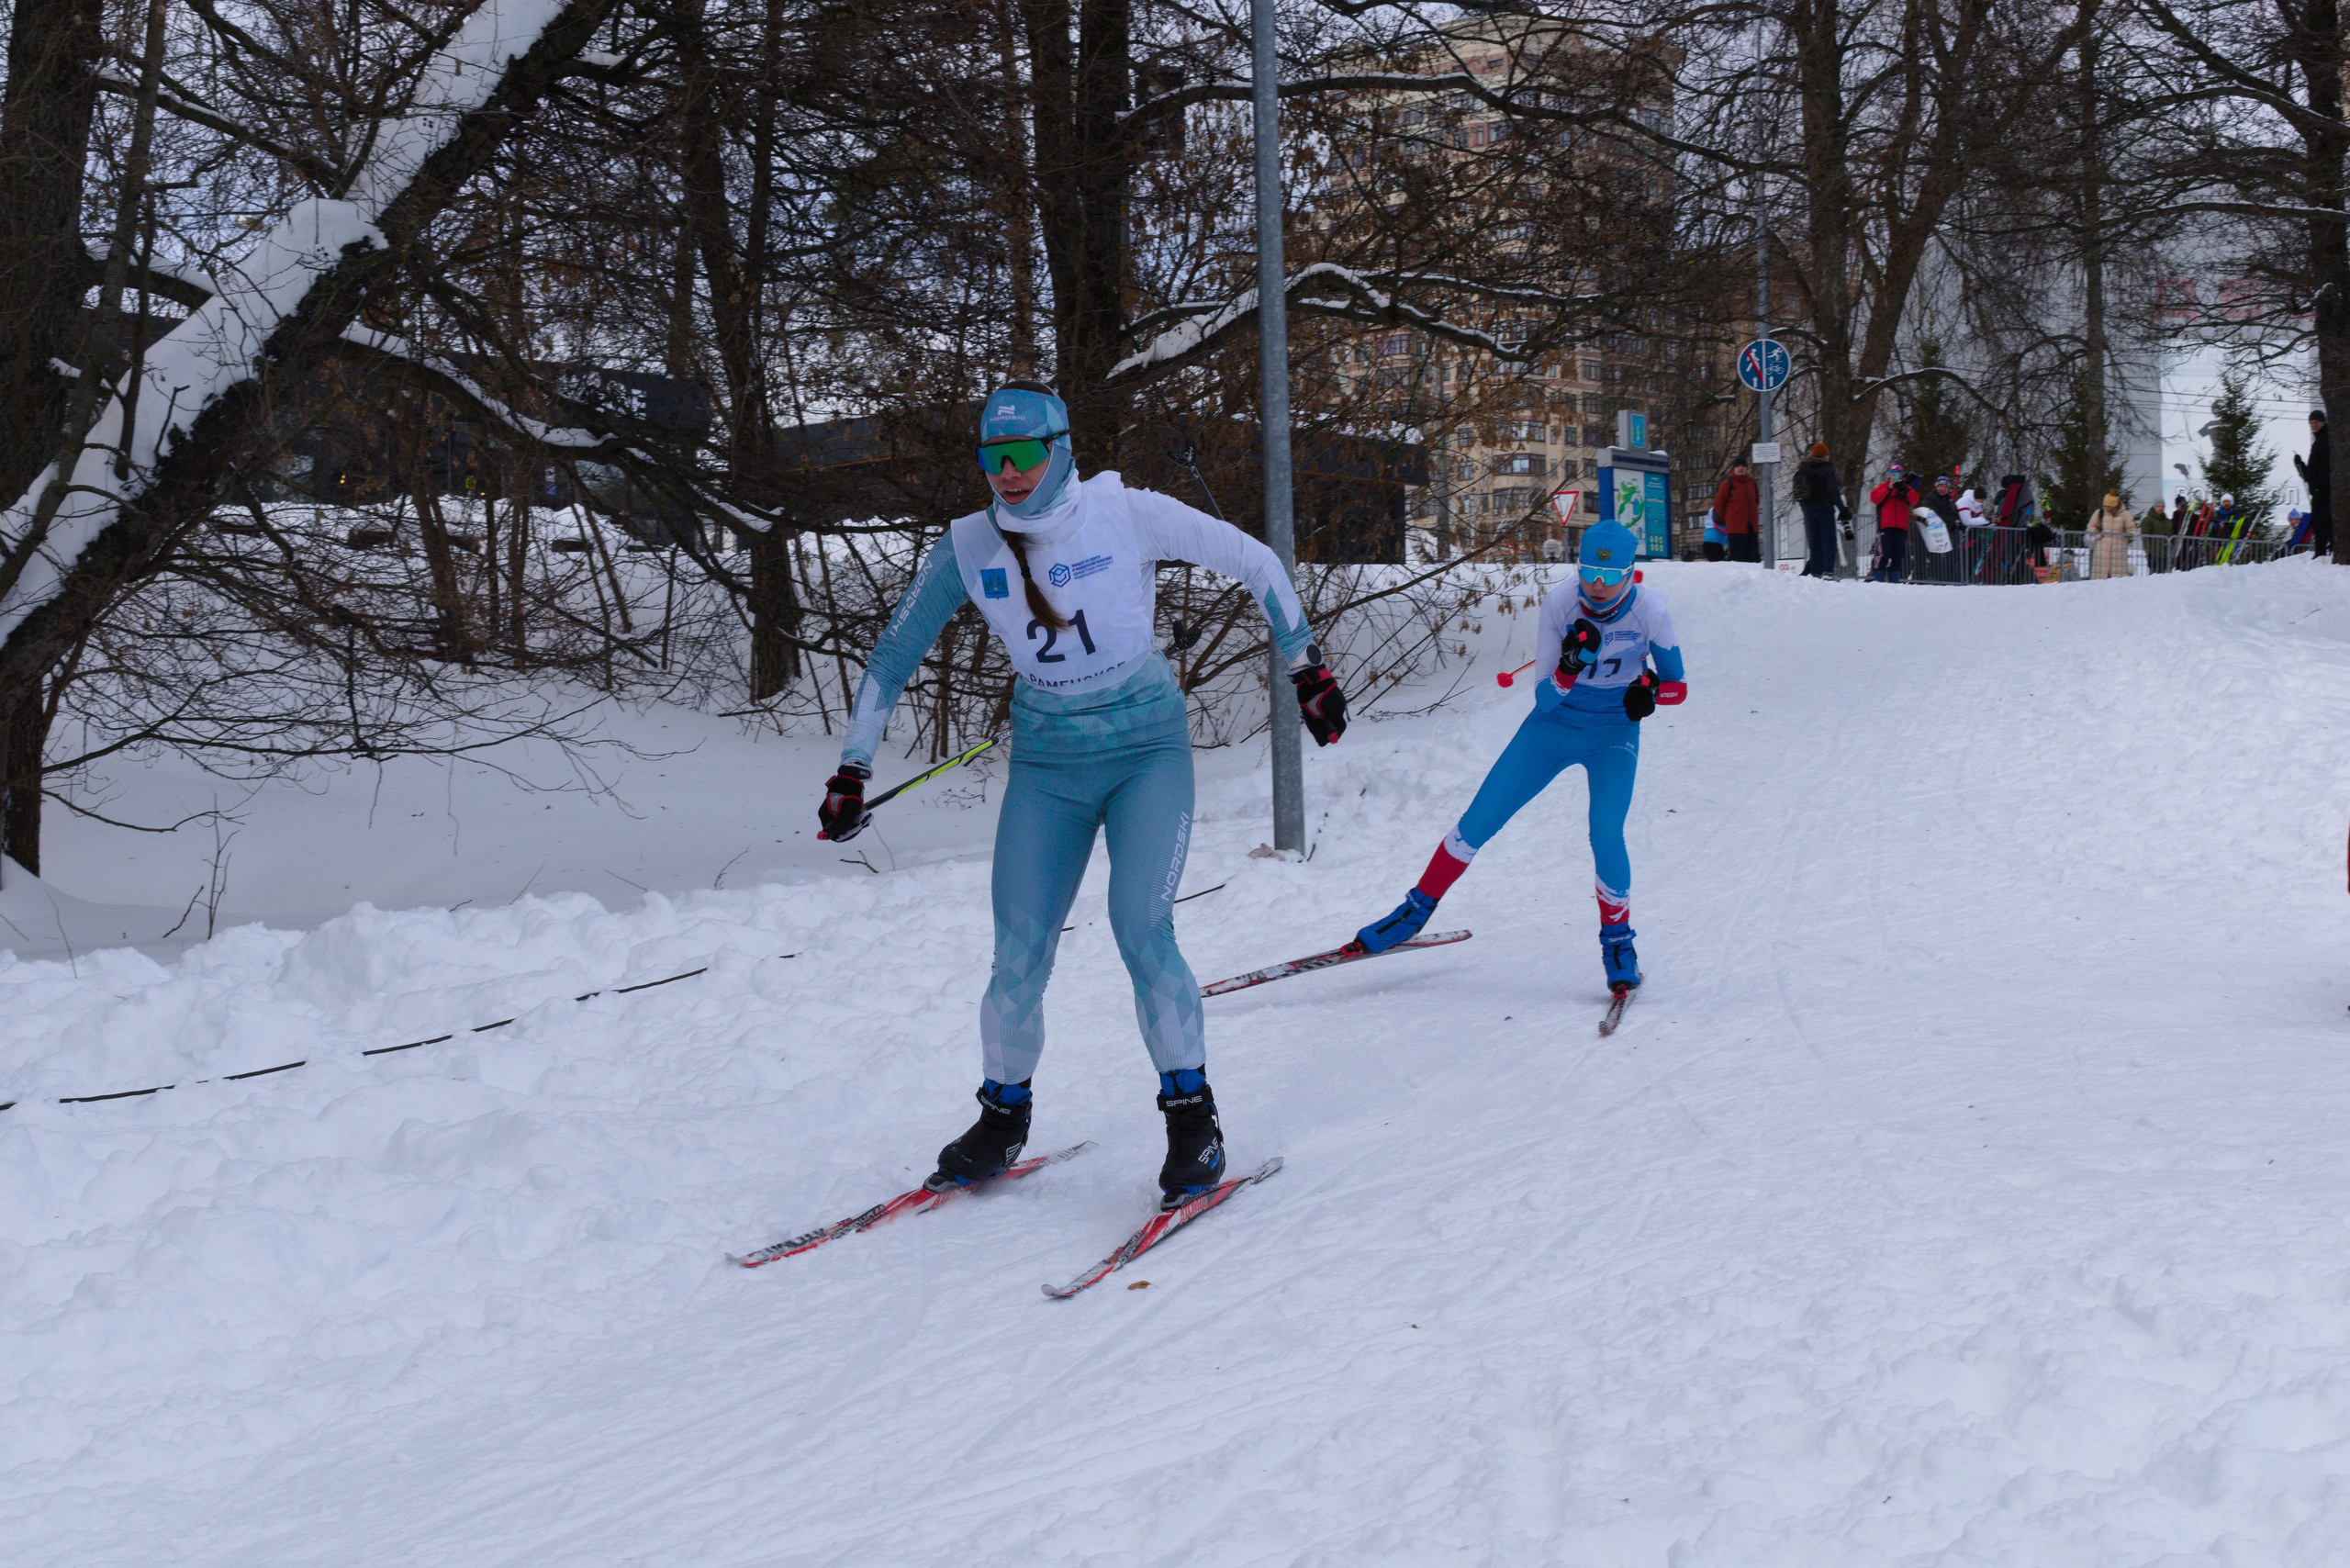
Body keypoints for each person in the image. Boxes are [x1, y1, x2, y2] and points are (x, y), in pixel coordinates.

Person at [817, 380, 1348, 1210]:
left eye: (1024, 454)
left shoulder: (1126, 513)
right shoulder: (966, 547)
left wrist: (1305, 668)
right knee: (1017, 951)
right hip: (1047, 765)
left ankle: (1191, 1121)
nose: (1009, 473)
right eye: (993, 457)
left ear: (1060, 448)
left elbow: (1258, 561)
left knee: (1141, 925)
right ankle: (1002, 1118)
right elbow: (890, 658)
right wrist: (851, 770)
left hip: (1146, 752)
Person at [1350, 521, 1685, 1001]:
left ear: (1631, 575)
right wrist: (1570, 667)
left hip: (1613, 733)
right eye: (1589, 571)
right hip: (1552, 728)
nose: (1597, 585)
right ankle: (1413, 912)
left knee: (1606, 833)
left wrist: (1649, 692)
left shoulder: (1651, 610)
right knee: (1480, 819)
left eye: (1611, 577)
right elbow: (1546, 700)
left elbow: (1678, 685)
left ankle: (1618, 944)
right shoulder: (1561, 603)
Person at [1791, 442, 1846, 578]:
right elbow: (1833, 491)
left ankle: (1815, 572)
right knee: (1829, 541)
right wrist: (1842, 508)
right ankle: (1828, 571)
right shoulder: (1827, 469)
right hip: (1825, 510)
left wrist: (1806, 510)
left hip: (1809, 512)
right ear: (1824, 455)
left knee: (1815, 543)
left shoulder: (1802, 469)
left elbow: (1798, 494)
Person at [1869, 462, 1919, 581]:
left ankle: (1894, 581)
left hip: (1901, 527)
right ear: (1890, 475)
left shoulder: (1906, 488)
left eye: (1898, 474)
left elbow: (1914, 500)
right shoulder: (1883, 486)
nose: (1896, 476)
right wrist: (1890, 487)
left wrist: (1905, 489)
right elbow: (1875, 498)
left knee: (1897, 556)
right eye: (1893, 474)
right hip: (1886, 526)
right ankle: (1878, 579)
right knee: (1883, 554)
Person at [2295, 409, 2331, 558]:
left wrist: (2319, 488)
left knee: (2321, 521)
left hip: (2323, 490)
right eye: (2311, 423)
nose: (2313, 425)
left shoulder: (2325, 440)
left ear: (2323, 422)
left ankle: (2322, 552)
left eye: (2316, 422)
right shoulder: (2319, 441)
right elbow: (2311, 474)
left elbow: (2325, 467)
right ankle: (2323, 551)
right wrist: (2300, 466)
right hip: (2318, 489)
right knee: (2320, 521)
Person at [1711, 460, 1760, 562]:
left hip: (1751, 527)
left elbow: (1756, 501)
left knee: (1753, 558)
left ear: (1747, 468)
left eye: (1743, 466)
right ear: (1734, 468)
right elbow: (1718, 504)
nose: (1740, 468)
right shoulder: (1728, 483)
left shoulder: (1752, 483)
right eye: (1738, 466)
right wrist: (1729, 519)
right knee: (1738, 559)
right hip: (1735, 529)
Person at [1919, 474, 1961, 581]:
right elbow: (1935, 516)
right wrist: (1951, 520)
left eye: (1945, 487)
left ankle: (1943, 579)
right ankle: (1924, 580)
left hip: (1941, 535)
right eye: (1941, 486)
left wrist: (1953, 522)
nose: (1943, 489)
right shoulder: (1931, 497)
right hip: (1928, 534)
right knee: (1928, 560)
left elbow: (1952, 513)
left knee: (1943, 559)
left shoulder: (1948, 499)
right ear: (1936, 486)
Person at [2087, 490, 2134, 579]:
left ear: (2115, 505)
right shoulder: (2100, 513)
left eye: (2109, 506)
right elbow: (2091, 526)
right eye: (2105, 506)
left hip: (2118, 551)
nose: (2107, 508)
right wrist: (2097, 535)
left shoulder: (2125, 514)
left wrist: (2129, 534)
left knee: (2118, 580)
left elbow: (2132, 529)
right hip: (2101, 550)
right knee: (2099, 579)